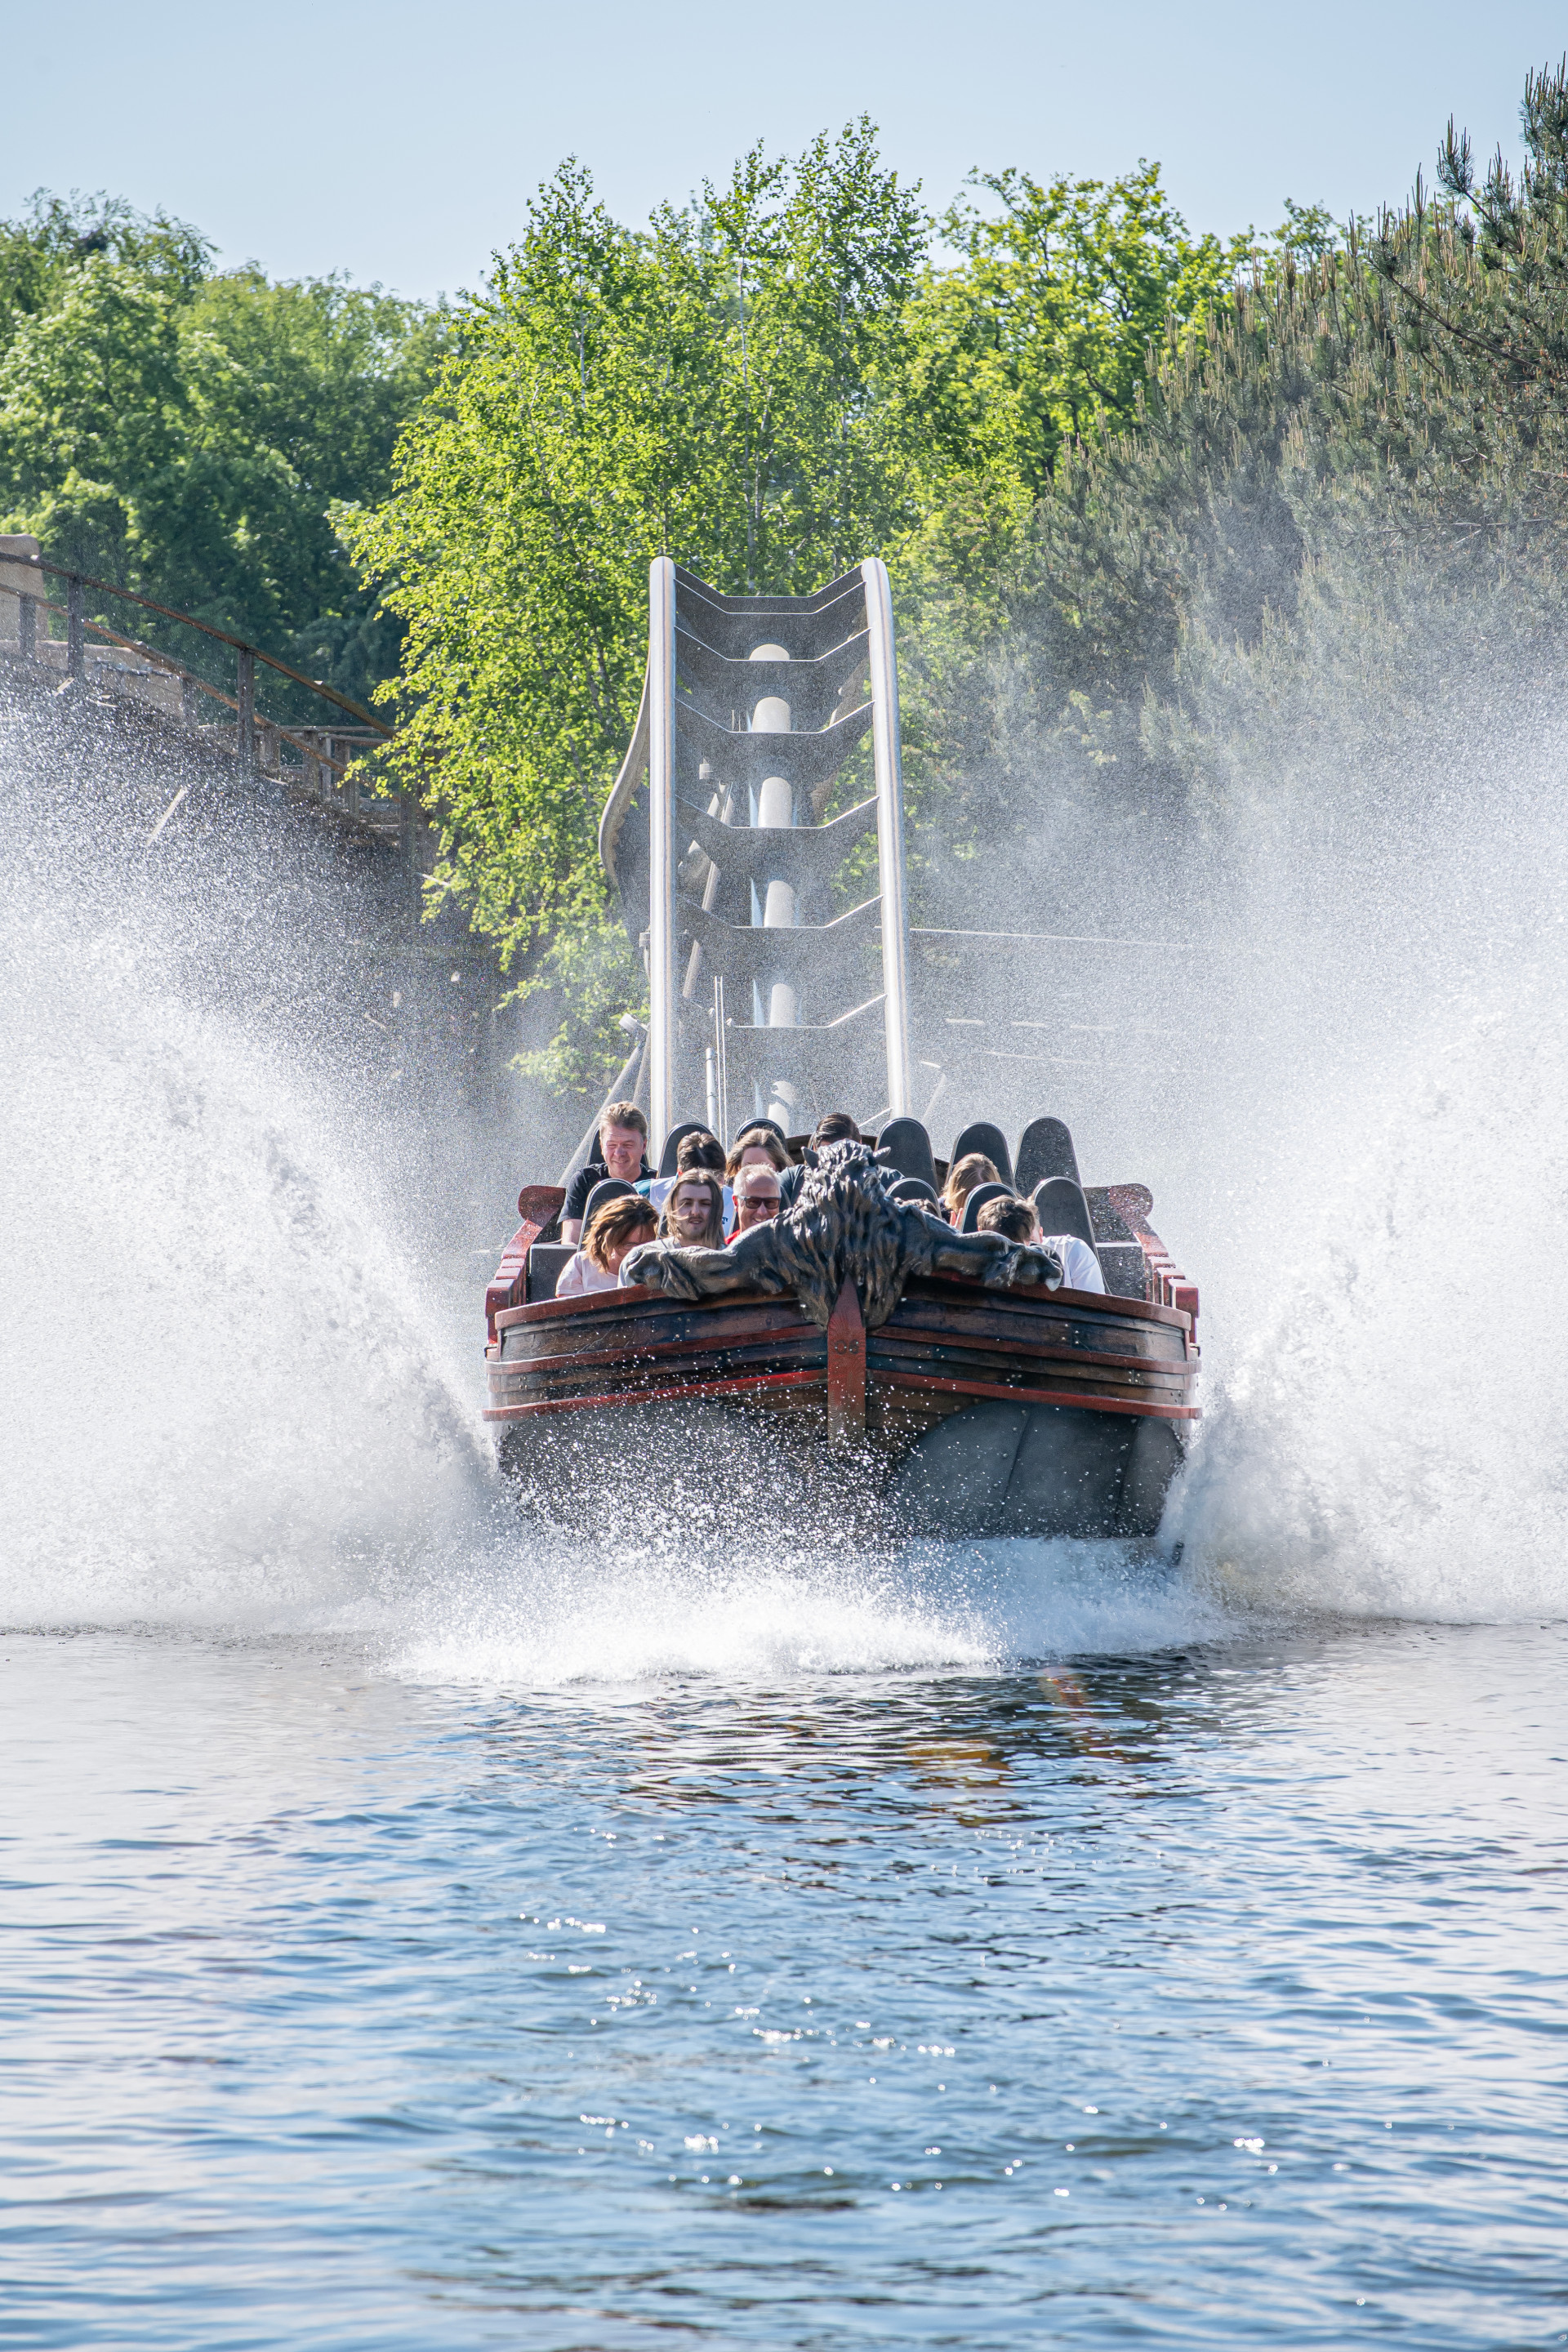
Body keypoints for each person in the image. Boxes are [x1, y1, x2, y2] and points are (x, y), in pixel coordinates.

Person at [560, 1102, 653, 1244]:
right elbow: (570, 1243)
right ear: (602, 1146)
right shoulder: (584, 1182)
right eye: (612, 1145)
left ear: (644, 1145)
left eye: (628, 1145)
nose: (619, 1153)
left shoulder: (659, 1184)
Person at [977, 1192, 1104, 1292]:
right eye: (998, 1247)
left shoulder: (1052, 1261)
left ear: (1029, 1241)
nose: (1008, 1259)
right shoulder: (974, 1258)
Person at [556, 1194, 659, 1295]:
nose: (638, 1253)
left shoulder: (661, 1269)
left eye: (647, 1245)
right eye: (630, 1246)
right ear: (609, 1240)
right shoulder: (581, 1264)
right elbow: (566, 1309)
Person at [777, 1111, 861, 1210]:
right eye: (825, 1154)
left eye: (842, 1153)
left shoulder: (879, 1181)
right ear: (814, 1149)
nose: (833, 1164)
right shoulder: (792, 1180)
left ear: (859, 1148)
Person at [658, 1169, 727, 1248]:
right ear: (673, 1208)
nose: (695, 1212)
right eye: (686, 1204)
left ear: (717, 1209)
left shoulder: (733, 1259)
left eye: (705, 1204)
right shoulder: (650, 1256)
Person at [939, 1151, 1001, 1226]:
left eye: (984, 1197)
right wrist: (953, 1236)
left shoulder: (1008, 1213)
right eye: (971, 1198)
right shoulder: (939, 1213)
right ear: (958, 1195)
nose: (978, 1206)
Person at [730, 1160, 782, 1232]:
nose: (762, 1212)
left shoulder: (794, 1243)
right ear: (736, 1202)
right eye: (753, 1202)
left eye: (770, 1202)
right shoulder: (727, 1244)